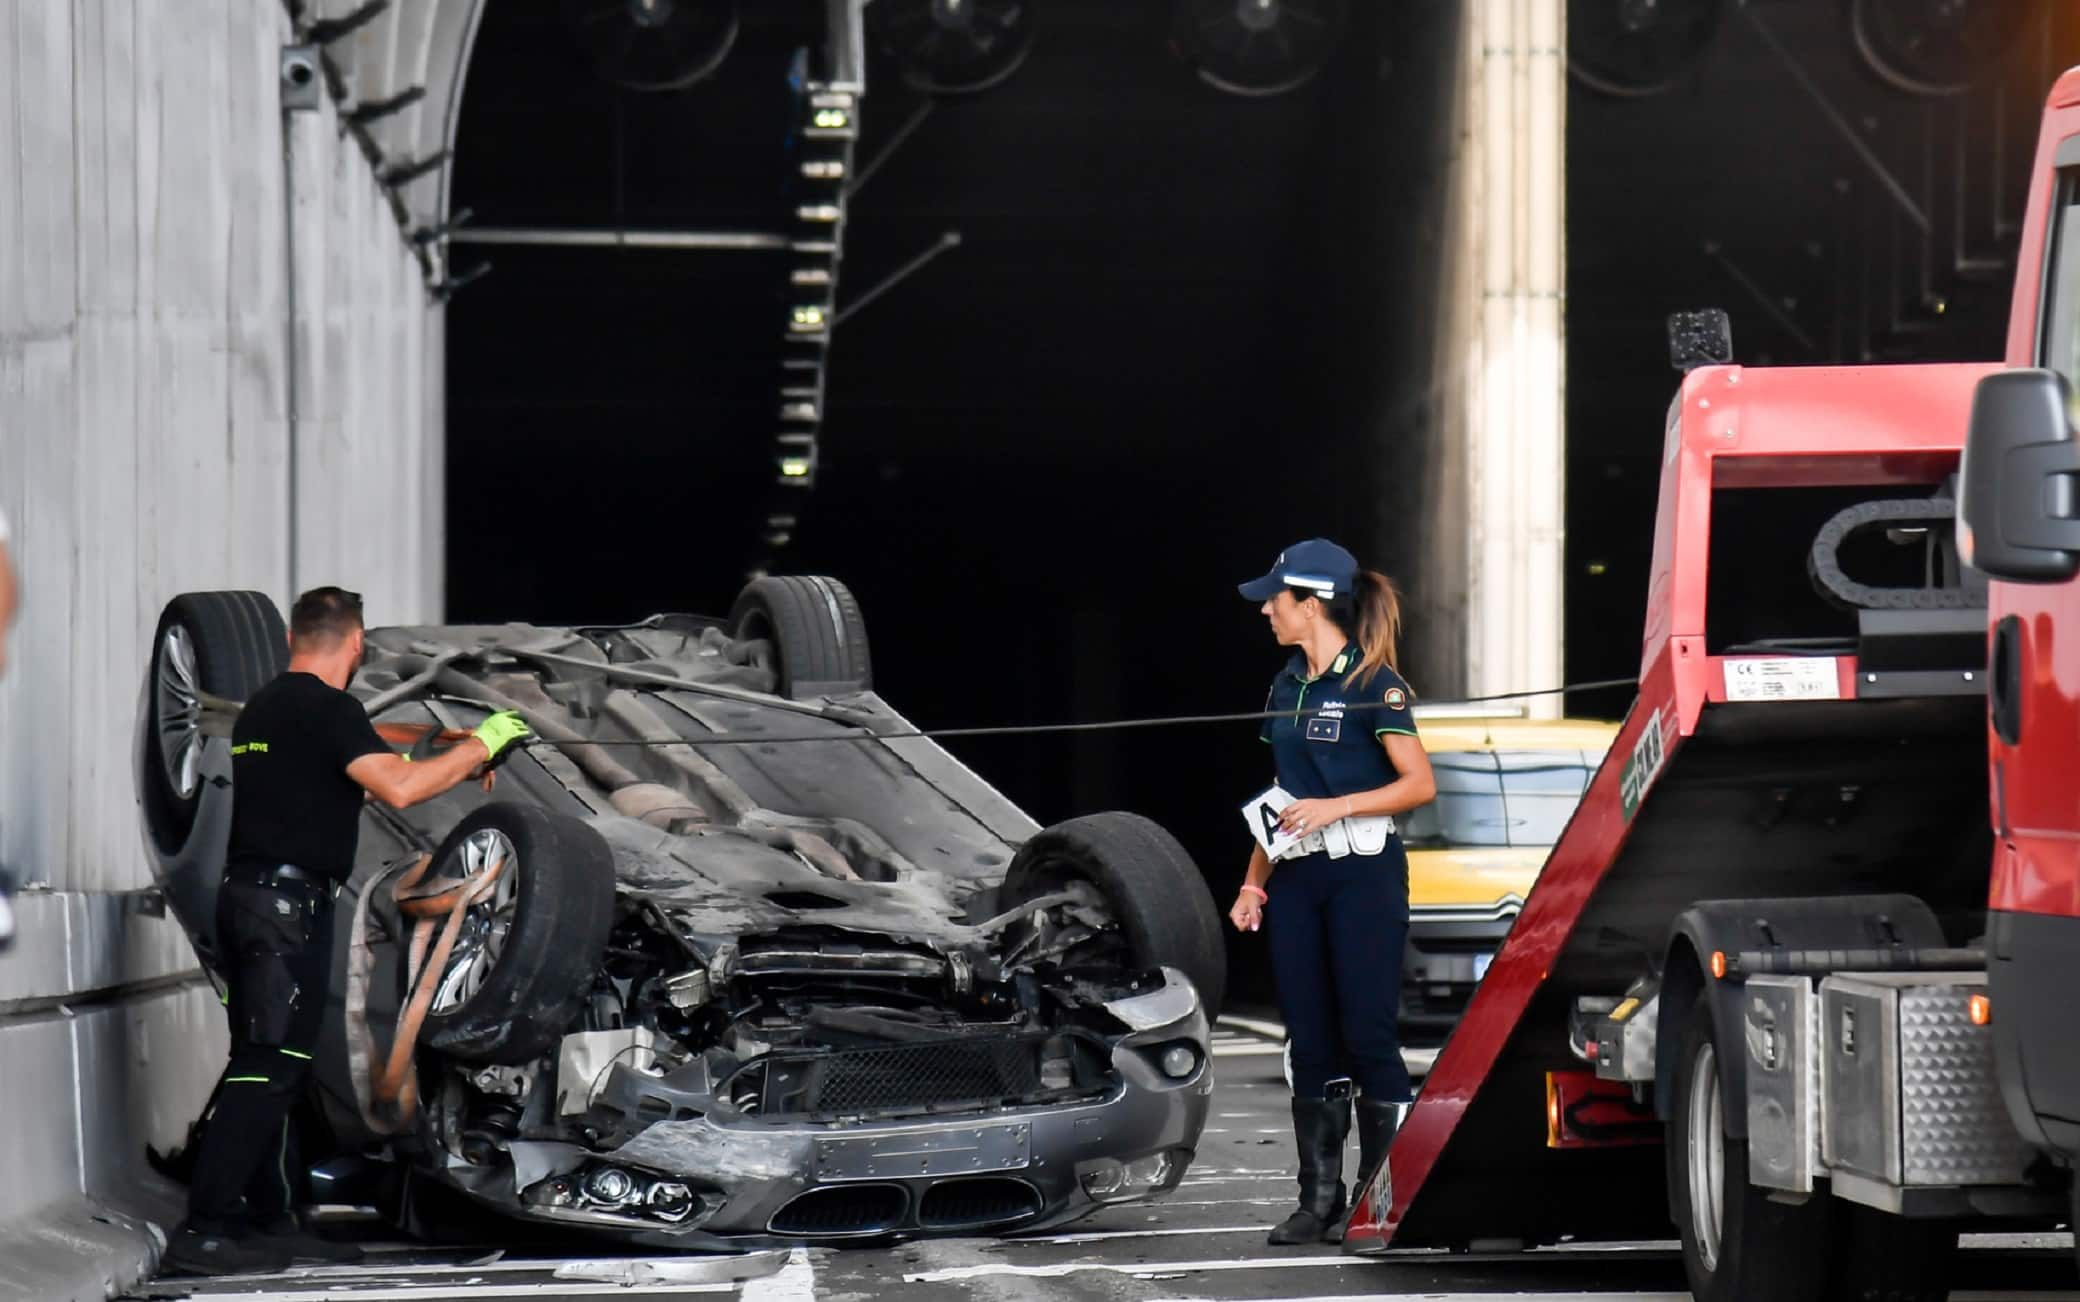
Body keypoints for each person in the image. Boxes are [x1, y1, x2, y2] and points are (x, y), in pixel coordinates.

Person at [165, 587, 534, 1276]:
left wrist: (447, 748)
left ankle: (266, 1222)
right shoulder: (328, 709)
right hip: (284, 909)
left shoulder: (269, 706)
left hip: (252, 901)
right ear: (357, 643)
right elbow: (397, 787)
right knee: (267, 1067)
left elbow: (355, 756)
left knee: (277, 1069)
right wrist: (484, 742)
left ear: (295, 638)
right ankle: (204, 1229)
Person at [1230, 539, 1438, 1246]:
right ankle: (1316, 1201)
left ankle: (1379, 1199)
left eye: (1274, 598)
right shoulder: (1285, 685)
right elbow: (1281, 801)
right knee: (1308, 1040)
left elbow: (1418, 783)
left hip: (1363, 876)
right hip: (1297, 878)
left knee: (1367, 1034)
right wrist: (1252, 884)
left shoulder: (1376, 684)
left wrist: (1339, 805)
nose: (1265, 610)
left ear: (1309, 602)